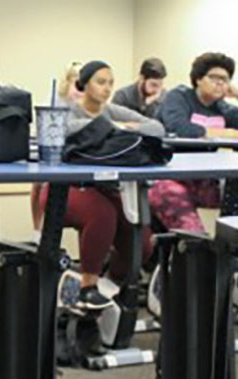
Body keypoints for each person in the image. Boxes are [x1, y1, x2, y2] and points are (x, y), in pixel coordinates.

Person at [38, 61, 164, 309]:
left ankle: (112, 279)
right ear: (83, 85)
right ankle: (88, 286)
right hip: (65, 190)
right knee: (103, 215)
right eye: (100, 82)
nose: (107, 89)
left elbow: (157, 127)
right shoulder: (69, 111)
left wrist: (114, 127)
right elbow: (62, 129)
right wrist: (114, 129)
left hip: (104, 189)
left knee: (141, 237)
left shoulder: (110, 111)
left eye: (110, 83)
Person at [149, 52, 238, 232]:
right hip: (168, 177)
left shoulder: (222, 107)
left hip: (203, 180)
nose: (220, 83)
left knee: (230, 210)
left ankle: (226, 249)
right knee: (193, 232)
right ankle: (196, 252)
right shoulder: (178, 97)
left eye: (225, 79)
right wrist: (224, 133)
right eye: (214, 77)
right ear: (198, 79)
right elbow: (178, 127)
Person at [31, 61, 83, 242]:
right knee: (39, 182)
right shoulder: (54, 102)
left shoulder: (86, 105)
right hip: (52, 155)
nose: (80, 89)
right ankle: (38, 231)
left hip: (76, 158)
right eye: (77, 83)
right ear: (68, 82)